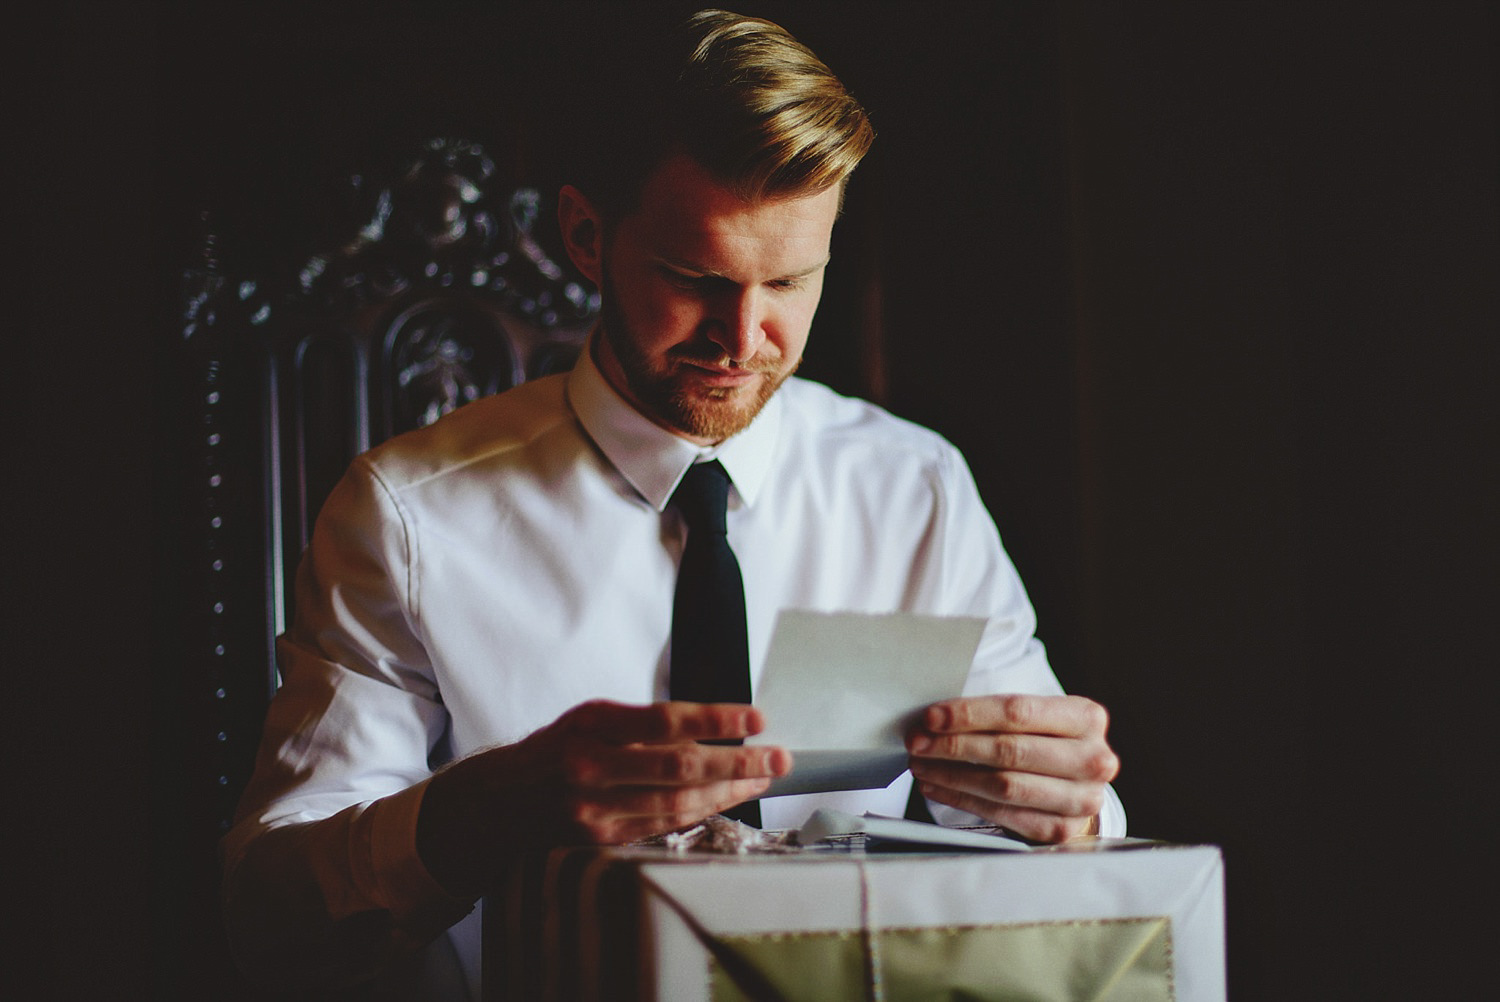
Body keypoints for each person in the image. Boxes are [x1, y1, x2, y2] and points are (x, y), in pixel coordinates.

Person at [222, 8, 1124, 997]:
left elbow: (1047, 855)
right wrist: (491, 811)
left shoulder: (917, 490)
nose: (742, 338)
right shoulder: (405, 516)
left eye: (787, 281)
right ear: (585, 236)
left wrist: (1064, 812)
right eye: (695, 278)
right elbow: (273, 905)